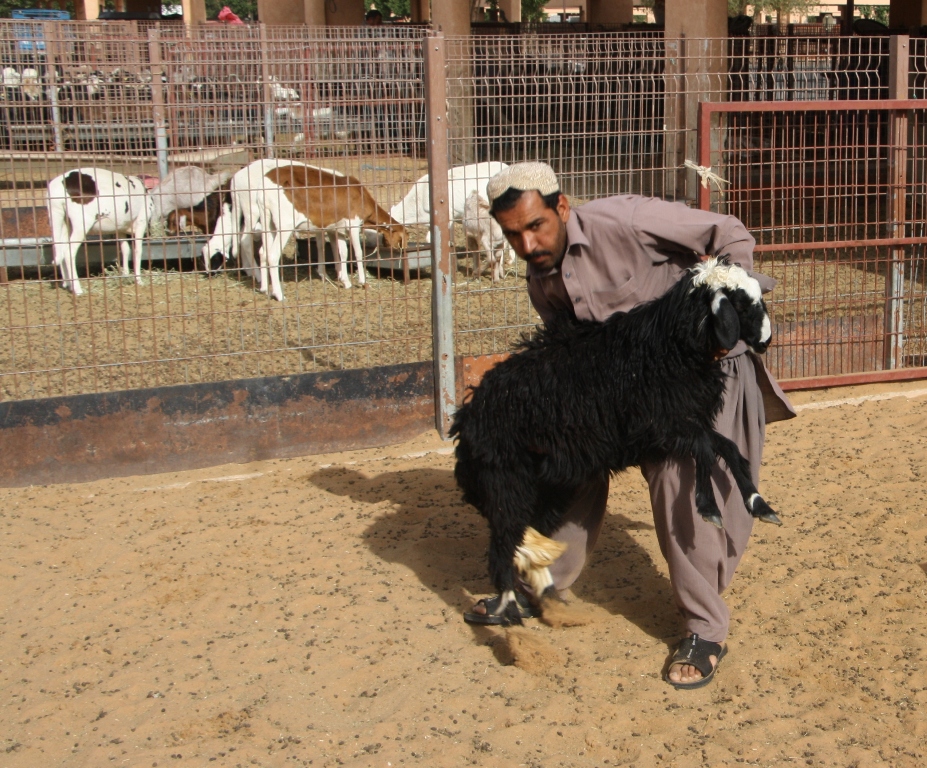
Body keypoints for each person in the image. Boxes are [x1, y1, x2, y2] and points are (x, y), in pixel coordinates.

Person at [464, 162, 796, 689]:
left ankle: (704, 628)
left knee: (677, 477)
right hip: (623, 392)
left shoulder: (627, 219)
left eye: (536, 226)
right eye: (512, 235)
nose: (527, 244)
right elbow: (573, 351)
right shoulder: (541, 279)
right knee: (568, 462)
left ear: (562, 207)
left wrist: (726, 293)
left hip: (701, 376)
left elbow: (728, 231)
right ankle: (541, 590)